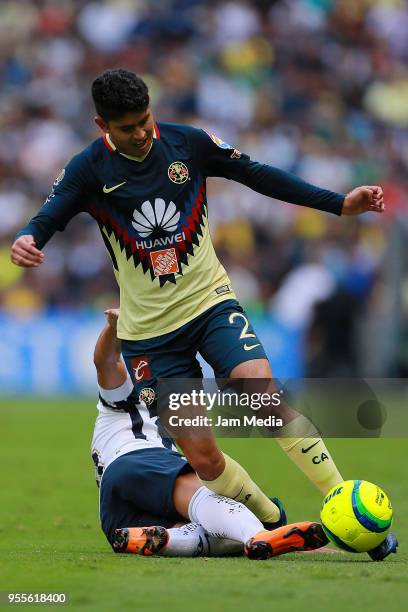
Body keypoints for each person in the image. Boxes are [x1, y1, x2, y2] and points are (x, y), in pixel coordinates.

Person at [11, 68, 385, 524]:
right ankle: (272, 521)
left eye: (146, 119)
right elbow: (47, 216)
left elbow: (256, 174)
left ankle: (344, 502)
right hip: (150, 336)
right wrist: (29, 238)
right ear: (102, 126)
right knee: (205, 459)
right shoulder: (87, 169)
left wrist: (339, 203)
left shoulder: (187, 143)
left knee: (261, 395)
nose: (143, 133)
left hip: (209, 303)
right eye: (128, 128)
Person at [93, 308, 328, 559]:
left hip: (117, 515)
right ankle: (256, 534)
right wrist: (113, 328)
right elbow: (106, 361)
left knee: (214, 532)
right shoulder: (126, 392)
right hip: (137, 460)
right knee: (207, 496)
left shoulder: (168, 396)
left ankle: (169, 538)